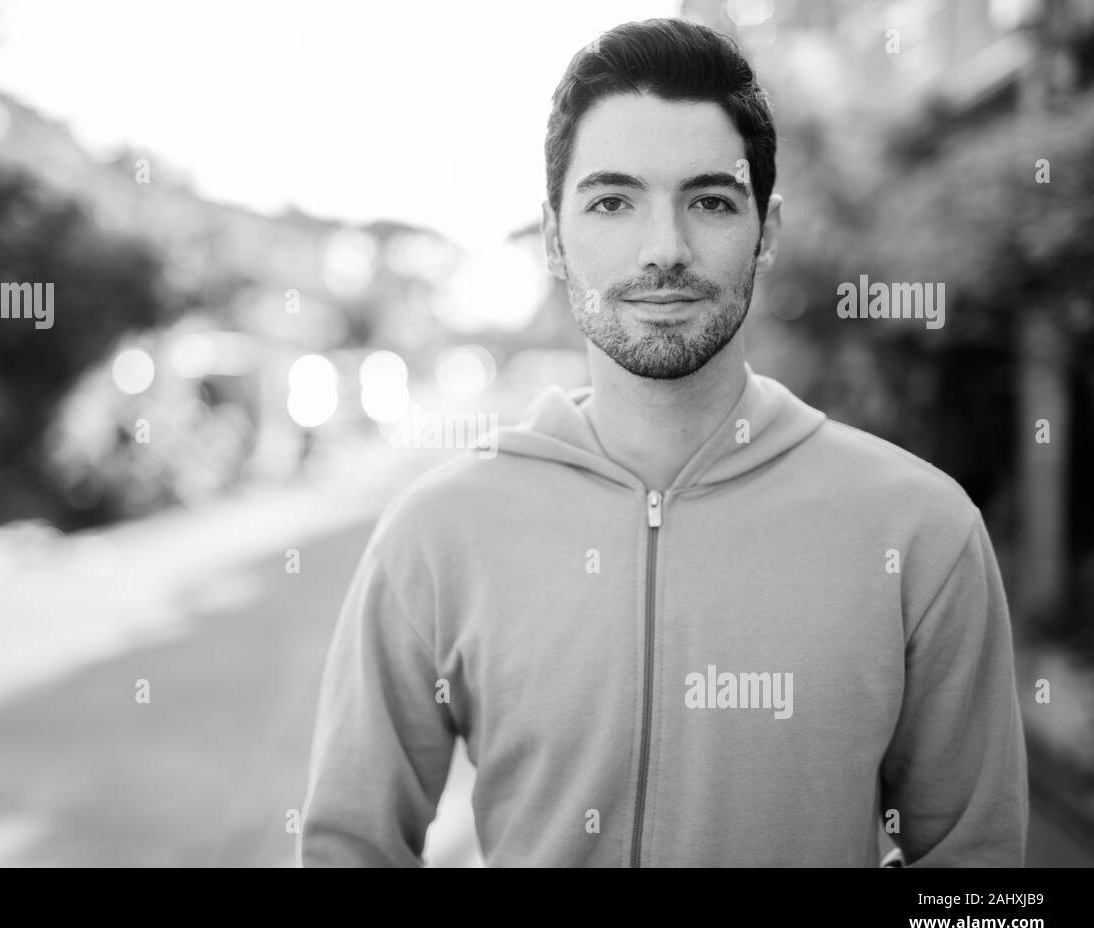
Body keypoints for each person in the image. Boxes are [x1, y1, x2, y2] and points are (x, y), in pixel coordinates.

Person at [298, 16, 1028, 867]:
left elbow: (981, 886)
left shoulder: (921, 530)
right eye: (612, 200)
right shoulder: (436, 532)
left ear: (770, 232)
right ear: (554, 240)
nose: (664, 250)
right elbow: (350, 846)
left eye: (710, 201)